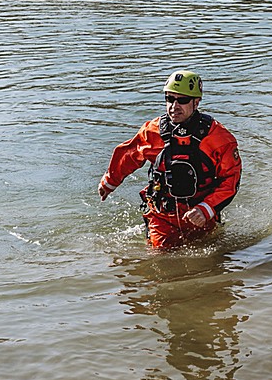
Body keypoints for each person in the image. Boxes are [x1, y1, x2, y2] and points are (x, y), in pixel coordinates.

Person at [99, 69, 242, 249]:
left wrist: (207, 208)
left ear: (196, 102)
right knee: (159, 256)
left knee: (210, 257)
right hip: (161, 214)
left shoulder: (218, 138)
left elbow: (231, 179)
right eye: (169, 99)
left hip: (200, 213)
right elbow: (129, 155)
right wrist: (110, 182)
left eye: (182, 100)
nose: (174, 106)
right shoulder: (153, 130)